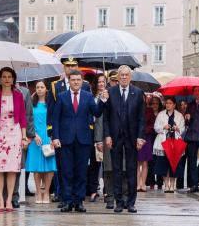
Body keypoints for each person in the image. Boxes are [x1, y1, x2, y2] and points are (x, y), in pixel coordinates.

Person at [50, 69, 102, 212]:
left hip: (83, 140)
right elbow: (55, 119)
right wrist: (55, 137)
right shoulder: (61, 97)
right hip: (65, 140)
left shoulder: (88, 96)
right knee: (66, 172)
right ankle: (67, 201)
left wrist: (103, 101)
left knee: (81, 172)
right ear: (69, 81)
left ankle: (79, 201)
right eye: (73, 80)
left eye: (78, 80)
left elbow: (97, 112)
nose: (76, 82)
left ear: (82, 81)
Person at [98, 65, 146, 213]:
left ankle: (131, 203)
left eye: (126, 75)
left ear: (130, 77)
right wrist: (107, 135)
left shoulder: (137, 92)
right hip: (115, 137)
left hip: (132, 137)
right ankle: (119, 202)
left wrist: (140, 137)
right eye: (122, 75)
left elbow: (141, 118)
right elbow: (105, 117)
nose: (124, 77)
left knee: (131, 169)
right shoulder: (110, 92)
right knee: (116, 170)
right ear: (118, 77)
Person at [0, 68, 28, 213]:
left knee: (12, 169)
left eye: (10, 77)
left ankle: (9, 199)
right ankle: (0, 200)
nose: (7, 79)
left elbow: (23, 117)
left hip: (14, 133)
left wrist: (24, 137)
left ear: (13, 79)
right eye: (4, 77)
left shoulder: (18, 95)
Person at [25, 81, 57, 204]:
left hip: (48, 136)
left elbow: (55, 120)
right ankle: (38, 192)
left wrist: (53, 136)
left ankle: (47, 192)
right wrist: (34, 135)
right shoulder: (31, 104)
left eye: (42, 87)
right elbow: (28, 121)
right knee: (36, 167)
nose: (39, 89)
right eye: (37, 87)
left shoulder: (51, 104)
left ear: (46, 89)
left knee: (49, 167)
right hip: (35, 138)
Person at [153, 97, 185, 193]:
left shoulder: (179, 115)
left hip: (175, 142)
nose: (168, 105)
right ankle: (166, 185)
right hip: (164, 142)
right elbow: (156, 127)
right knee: (164, 164)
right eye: (167, 103)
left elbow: (182, 129)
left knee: (174, 164)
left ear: (174, 105)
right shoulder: (161, 114)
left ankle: (172, 185)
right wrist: (164, 127)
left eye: (170, 103)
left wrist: (177, 128)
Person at [89, 72, 108, 205]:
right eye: (99, 82)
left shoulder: (109, 95)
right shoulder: (91, 97)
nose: (101, 84)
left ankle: (107, 189)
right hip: (92, 133)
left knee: (107, 163)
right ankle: (93, 189)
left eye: (103, 82)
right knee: (94, 163)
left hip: (106, 133)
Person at [137, 93, 158, 192]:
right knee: (137, 162)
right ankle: (138, 184)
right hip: (136, 137)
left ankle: (143, 183)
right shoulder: (134, 108)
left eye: (143, 98)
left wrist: (145, 130)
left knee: (145, 162)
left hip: (146, 137)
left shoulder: (149, 110)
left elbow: (153, 124)